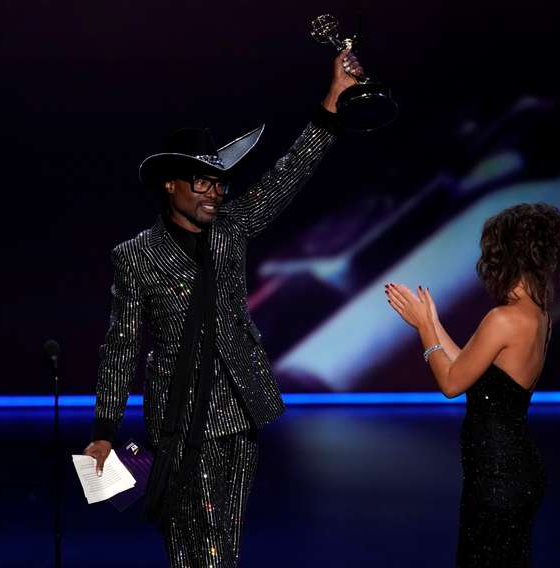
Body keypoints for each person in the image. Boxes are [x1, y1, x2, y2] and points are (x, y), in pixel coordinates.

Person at [82, 50, 363, 567]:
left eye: (219, 181)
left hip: (236, 413)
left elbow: (284, 179)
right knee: (186, 548)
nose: (215, 191)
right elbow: (121, 346)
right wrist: (105, 430)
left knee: (219, 545)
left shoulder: (229, 231)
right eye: (203, 181)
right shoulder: (135, 256)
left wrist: (332, 104)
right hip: (176, 422)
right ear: (172, 184)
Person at [386, 203, 560, 567]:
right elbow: (471, 368)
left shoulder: (503, 318)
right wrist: (433, 323)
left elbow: (452, 383)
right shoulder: (538, 314)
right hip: (514, 469)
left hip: (497, 476)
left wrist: (423, 330)